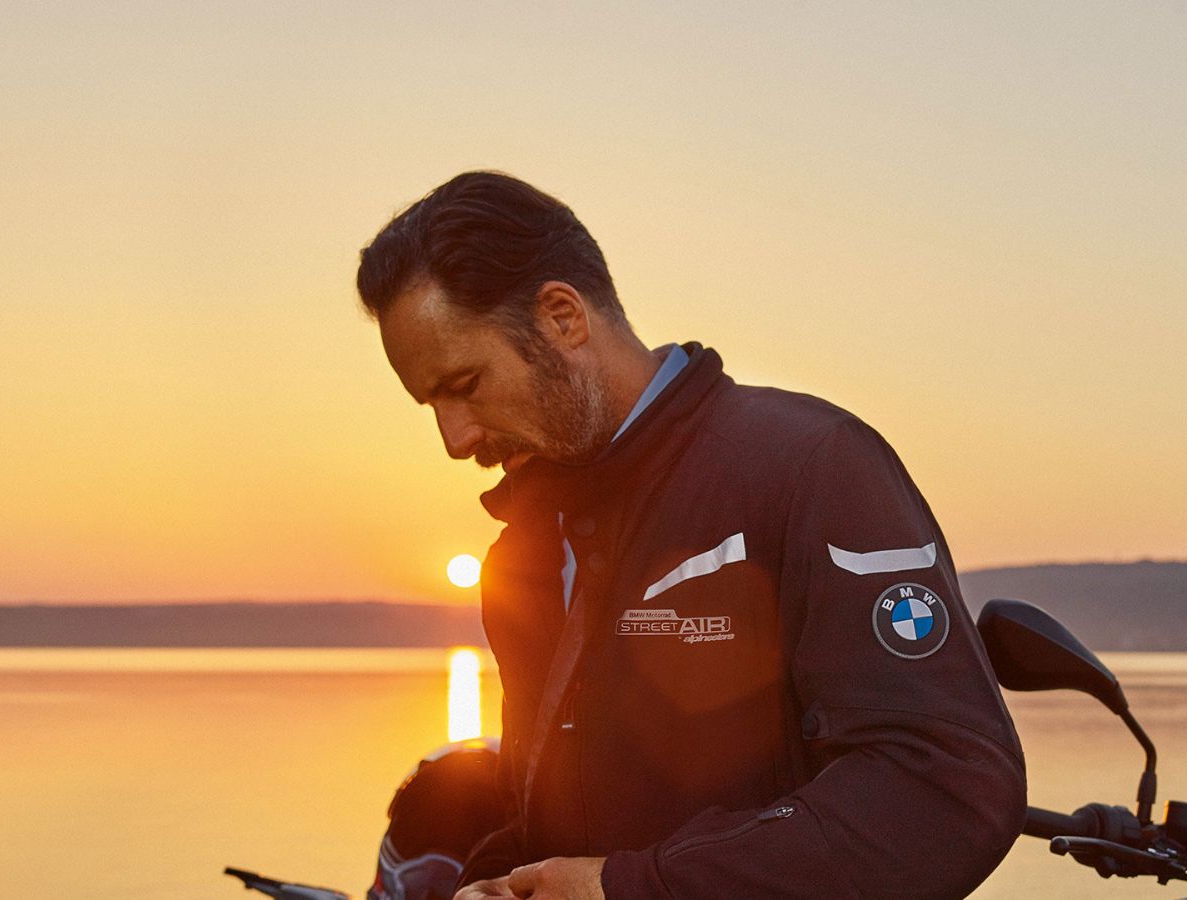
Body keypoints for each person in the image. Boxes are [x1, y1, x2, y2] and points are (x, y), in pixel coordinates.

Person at [353, 171, 1027, 899]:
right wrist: (493, 882)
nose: (454, 440)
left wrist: (632, 888)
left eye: (465, 385)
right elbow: (549, 822)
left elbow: (943, 790)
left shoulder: (812, 467)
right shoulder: (523, 558)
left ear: (561, 318)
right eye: (431, 405)